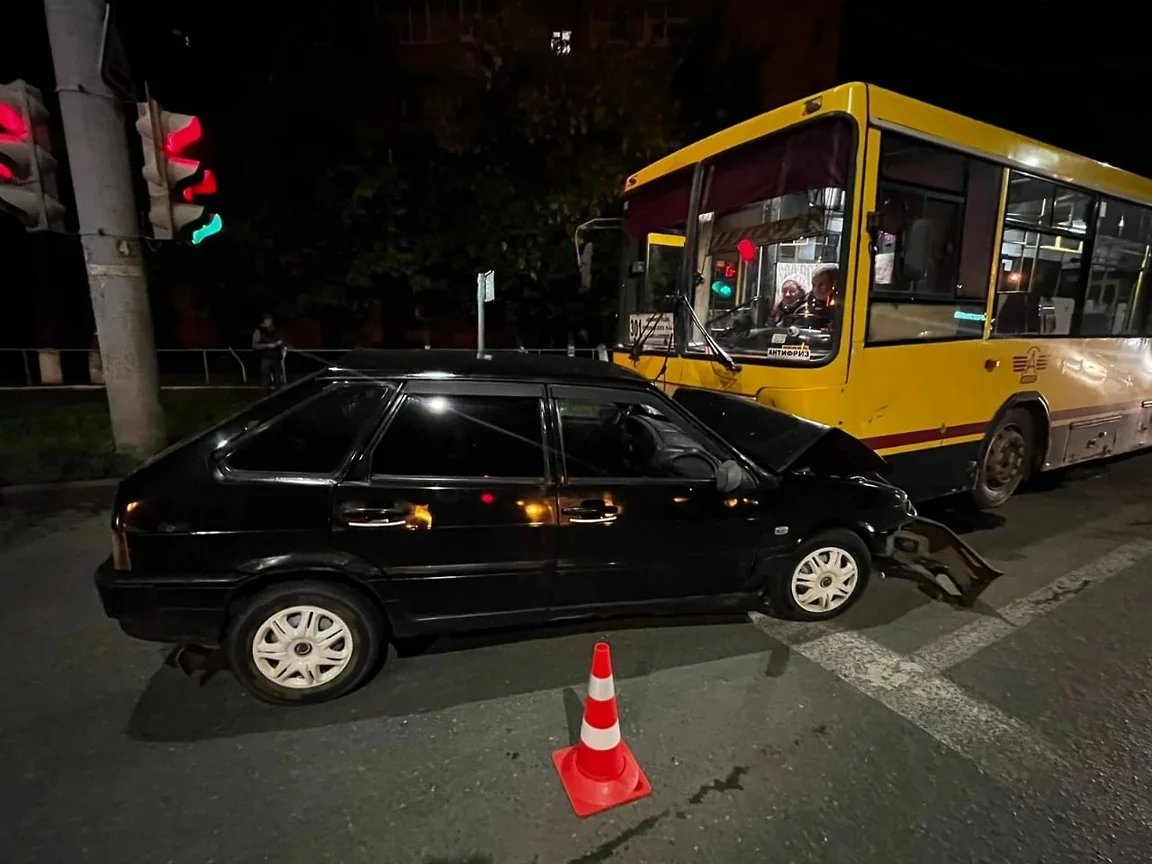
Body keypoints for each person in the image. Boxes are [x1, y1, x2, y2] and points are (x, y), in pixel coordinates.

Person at [252, 313, 285, 392]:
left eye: (270, 320)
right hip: (266, 357)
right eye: (267, 320)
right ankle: (265, 394)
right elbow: (255, 345)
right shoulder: (258, 331)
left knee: (278, 377)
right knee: (265, 376)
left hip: (276, 356)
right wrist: (267, 345)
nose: (269, 322)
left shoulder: (276, 330)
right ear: (263, 322)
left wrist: (280, 343)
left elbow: (281, 339)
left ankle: (279, 393)